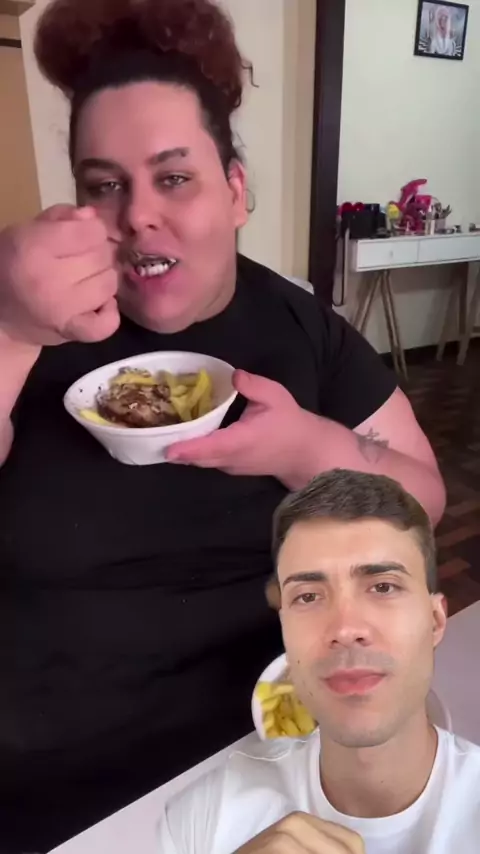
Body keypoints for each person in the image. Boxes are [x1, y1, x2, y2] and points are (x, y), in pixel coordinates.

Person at [0, 0, 445, 849]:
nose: (137, 215)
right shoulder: (30, 314)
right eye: (104, 185)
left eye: (174, 178)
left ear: (236, 191)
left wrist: (307, 449)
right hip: (61, 795)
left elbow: (422, 498)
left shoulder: (302, 329)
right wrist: (11, 329)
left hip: (275, 761)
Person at [159, 470, 480, 854]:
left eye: (383, 587)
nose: (345, 629)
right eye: (308, 596)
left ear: (435, 621)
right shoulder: (203, 819)